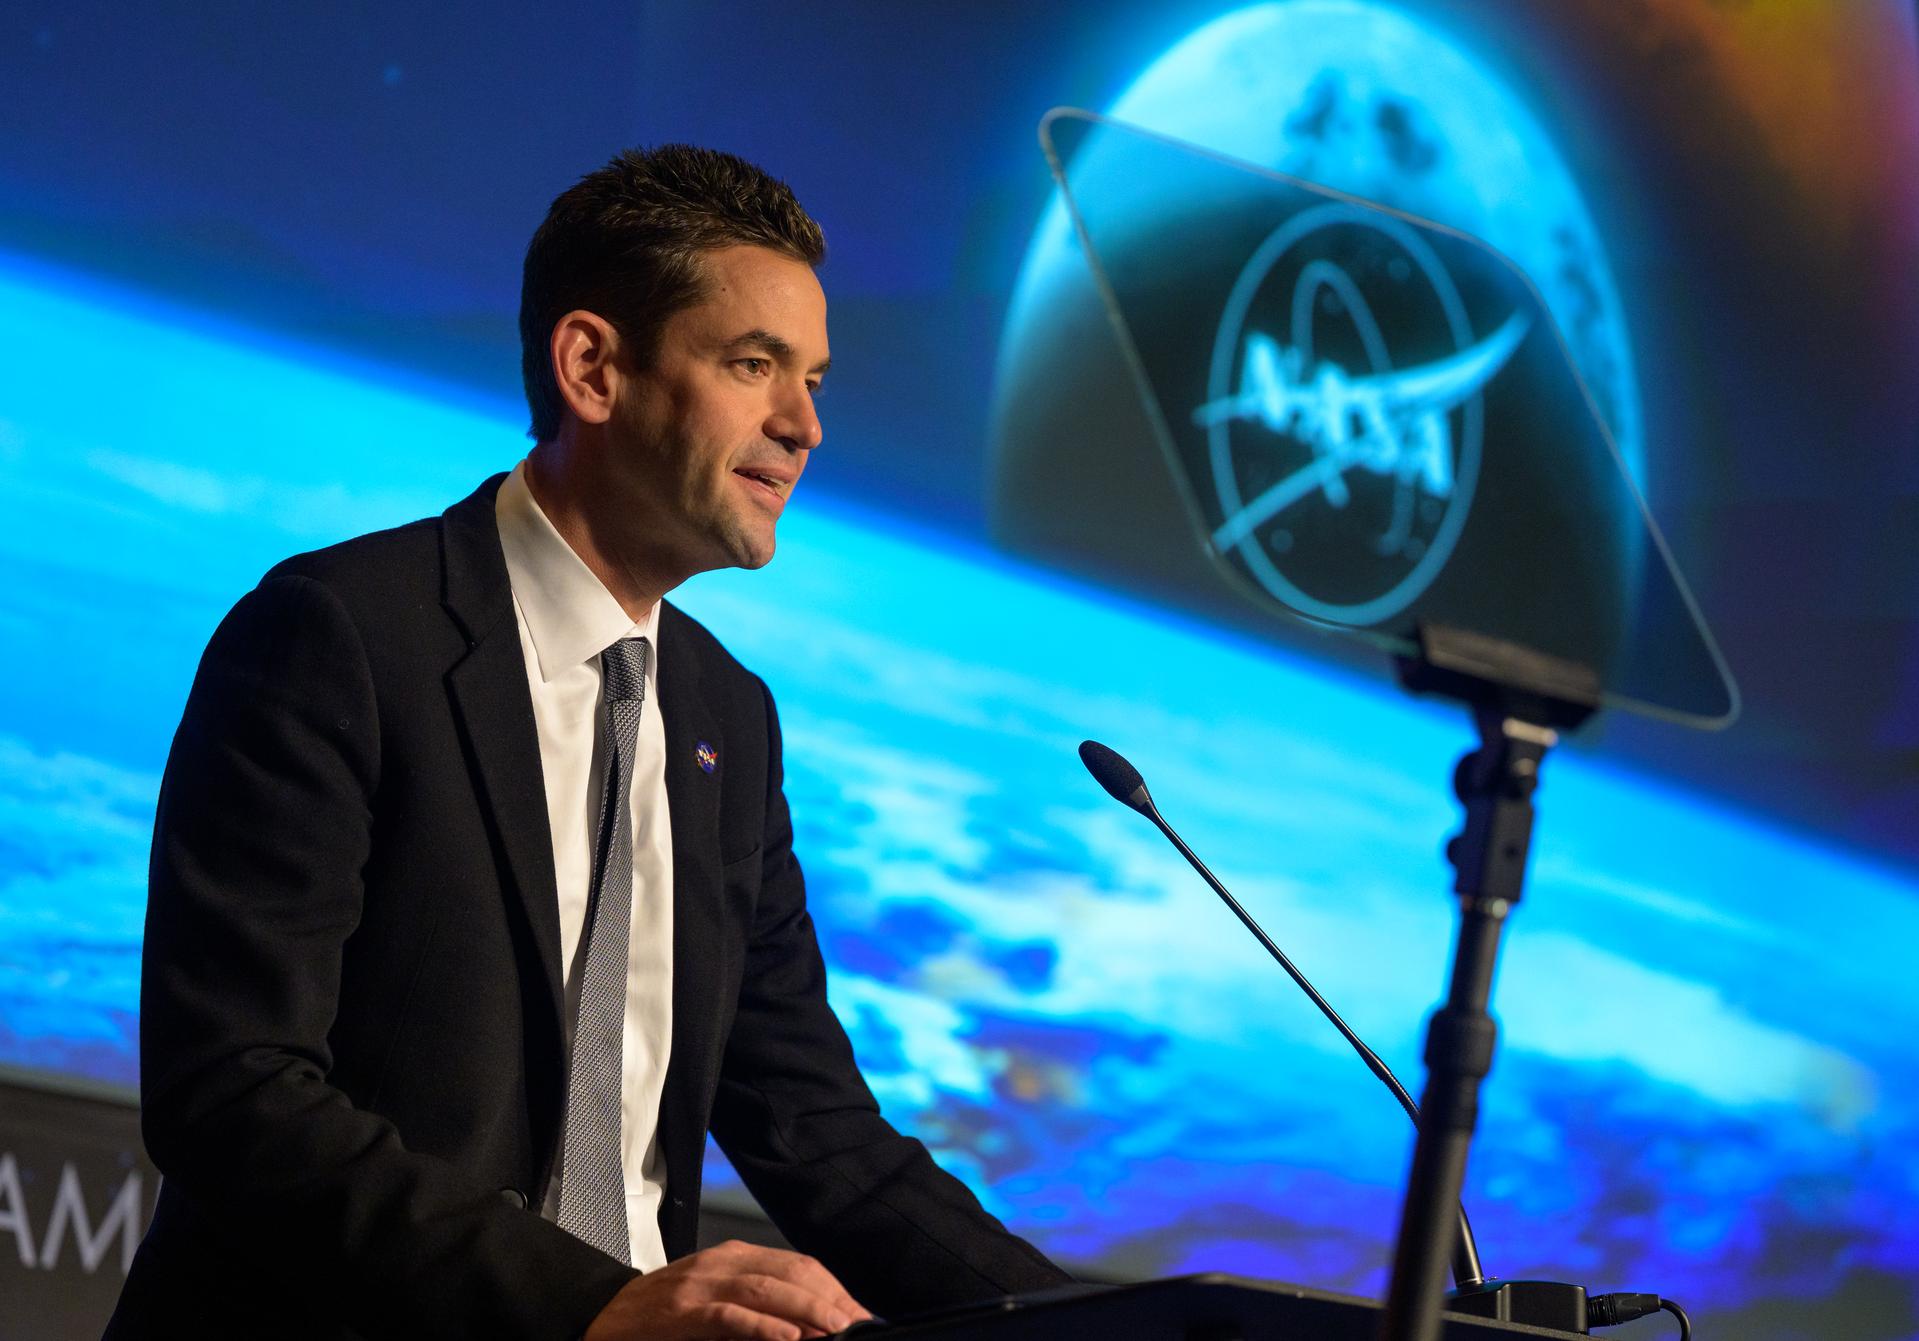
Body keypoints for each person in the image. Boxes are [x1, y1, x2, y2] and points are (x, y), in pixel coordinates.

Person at [106, 145, 1073, 1341]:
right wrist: (590, 1306)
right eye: (754, 365)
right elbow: (231, 1089)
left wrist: (1109, 1326)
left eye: (814, 378)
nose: (804, 425)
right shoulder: (344, 635)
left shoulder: (727, 719)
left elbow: (819, 1136)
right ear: (592, 369)